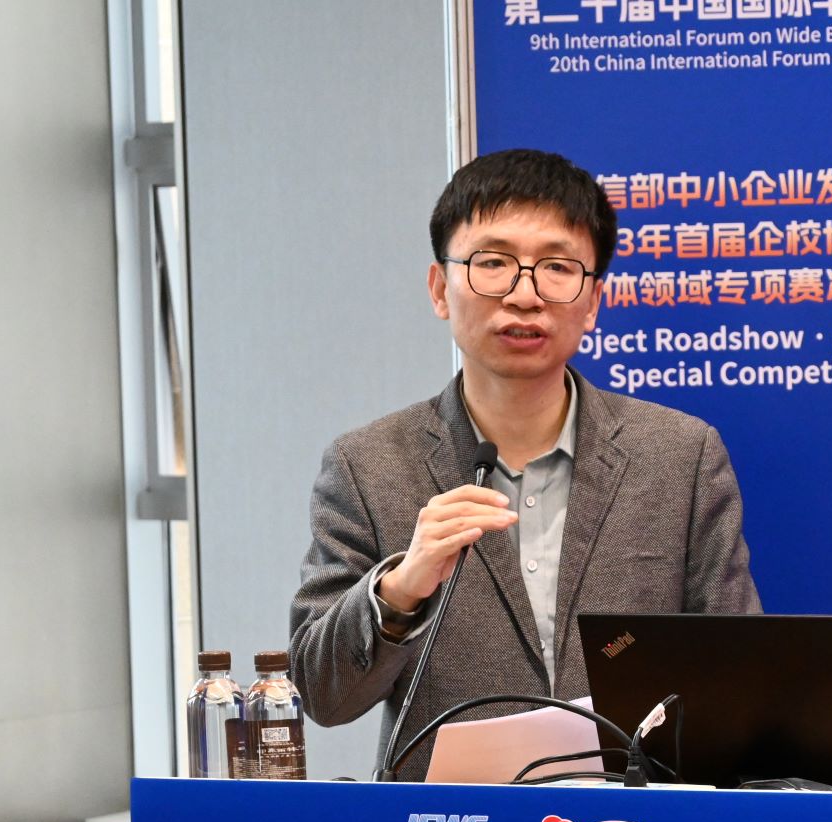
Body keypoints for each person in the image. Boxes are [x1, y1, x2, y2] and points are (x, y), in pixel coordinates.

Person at [289, 148, 760, 778]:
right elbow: (322, 694)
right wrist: (398, 592)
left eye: (557, 268)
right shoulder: (369, 465)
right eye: (493, 263)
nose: (524, 295)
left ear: (592, 301)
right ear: (440, 288)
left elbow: (740, 674)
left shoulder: (679, 455)